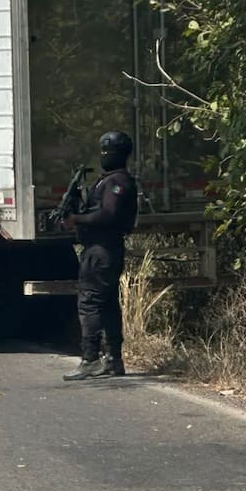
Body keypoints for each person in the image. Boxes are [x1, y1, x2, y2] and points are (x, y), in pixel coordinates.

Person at [62, 131, 139, 380]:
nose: (104, 156)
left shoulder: (118, 182)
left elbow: (108, 214)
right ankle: (113, 359)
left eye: (107, 151)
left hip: (102, 250)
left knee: (90, 302)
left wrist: (77, 219)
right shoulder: (108, 180)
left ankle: (91, 359)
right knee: (106, 304)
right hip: (100, 249)